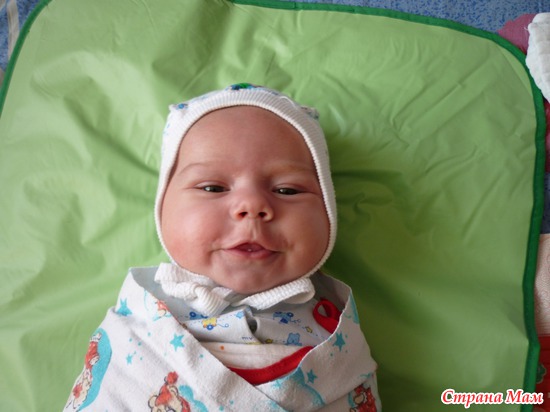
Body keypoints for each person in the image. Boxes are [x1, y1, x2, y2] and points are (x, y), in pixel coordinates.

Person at [64, 83, 380, 411]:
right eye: (213, 188)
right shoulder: (140, 324)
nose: (252, 205)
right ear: (162, 208)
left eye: (287, 190)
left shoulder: (336, 328)